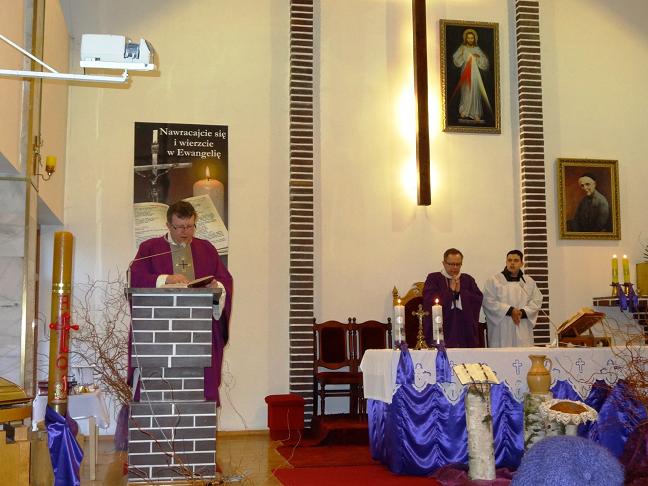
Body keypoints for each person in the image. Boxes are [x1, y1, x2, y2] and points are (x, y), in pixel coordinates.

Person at [130, 200, 233, 404]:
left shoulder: (206, 248)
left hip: (199, 330)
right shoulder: (150, 248)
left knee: (200, 391)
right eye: (180, 227)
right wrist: (166, 279)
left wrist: (217, 288)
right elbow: (136, 278)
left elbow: (225, 280)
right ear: (168, 225)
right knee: (161, 391)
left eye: (190, 226)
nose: (186, 232)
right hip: (161, 332)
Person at [422, 248, 483, 347]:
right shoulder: (433, 278)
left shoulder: (468, 279)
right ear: (444, 263)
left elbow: (477, 299)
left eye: (458, 264)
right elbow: (429, 300)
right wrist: (449, 291)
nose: (455, 267)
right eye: (451, 264)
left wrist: (460, 293)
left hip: (464, 331)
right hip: (442, 329)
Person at [482, 250, 543, 347]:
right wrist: (510, 310)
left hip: (522, 326)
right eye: (509, 260)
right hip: (502, 329)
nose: (512, 263)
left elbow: (537, 300)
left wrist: (522, 312)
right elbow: (487, 301)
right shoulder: (494, 281)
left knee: (523, 354)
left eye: (516, 260)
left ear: (522, 263)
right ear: (506, 262)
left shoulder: (528, 282)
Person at [451, 28, 491, 122]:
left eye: (472, 38)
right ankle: (464, 111)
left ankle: (475, 113)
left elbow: (484, 61)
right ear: (466, 38)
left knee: (475, 91)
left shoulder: (477, 49)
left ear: (474, 39)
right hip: (466, 72)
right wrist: (462, 55)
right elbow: (456, 59)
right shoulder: (462, 48)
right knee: (466, 90)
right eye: (468, 38)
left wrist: (478, 57)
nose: (470, 40)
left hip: (475, 74)